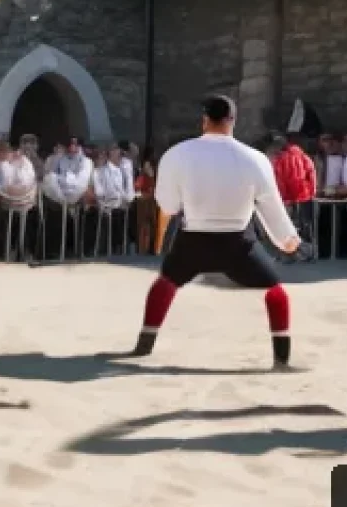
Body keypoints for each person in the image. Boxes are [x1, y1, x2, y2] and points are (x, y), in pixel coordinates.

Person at [125, 95, 301, 368]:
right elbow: (270, 205)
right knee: (276, 292)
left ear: (204, 120)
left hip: (194, 238)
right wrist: (286, 239)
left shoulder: (177, 154)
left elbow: (168, 206)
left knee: (165, 283)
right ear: (233, 120)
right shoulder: (254, 158)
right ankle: (282, 356)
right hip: (239, 243)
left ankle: (145, 342)